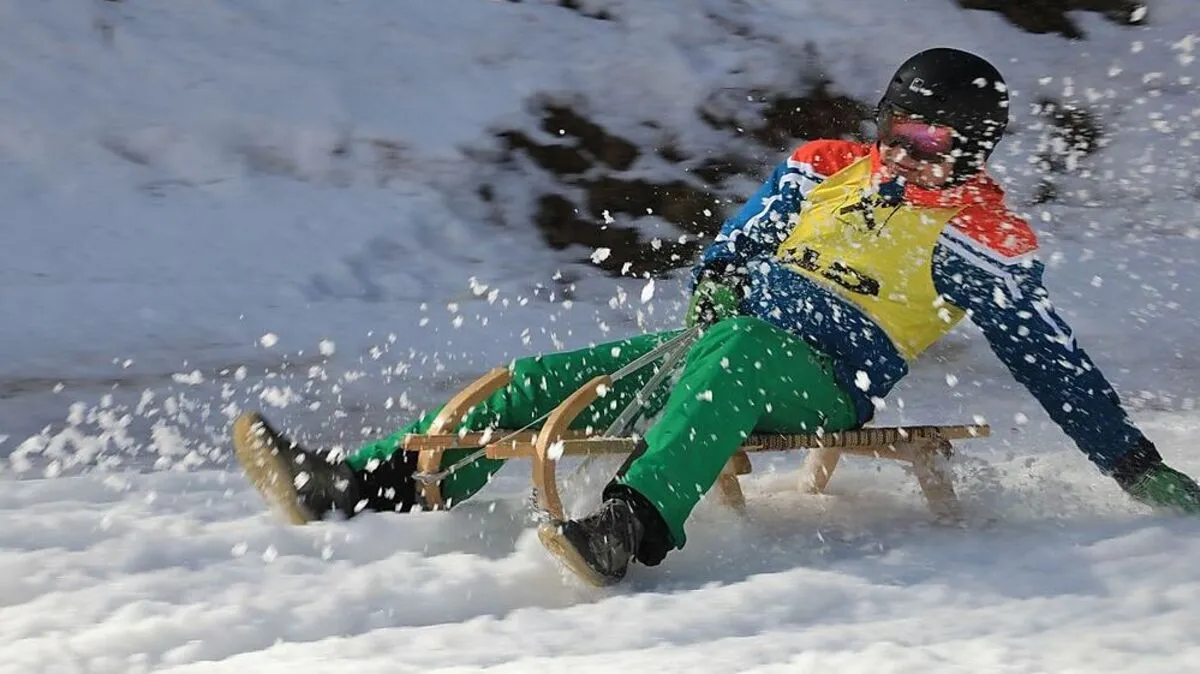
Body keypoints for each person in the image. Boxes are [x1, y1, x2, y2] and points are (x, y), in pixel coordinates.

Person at [233, 47, 1200, 587]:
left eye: (938, 146)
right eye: (901, 135)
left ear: (975, 151)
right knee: (545, 382)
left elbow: (1052, 363)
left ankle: (630, 530)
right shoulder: (823, 168)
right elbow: (735, 246)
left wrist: (1133, 463)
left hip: (833, 376)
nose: (912, 159)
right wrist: (719, 280)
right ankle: (359, 486)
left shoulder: (986, 236)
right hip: (730, 340)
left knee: (731, 357)